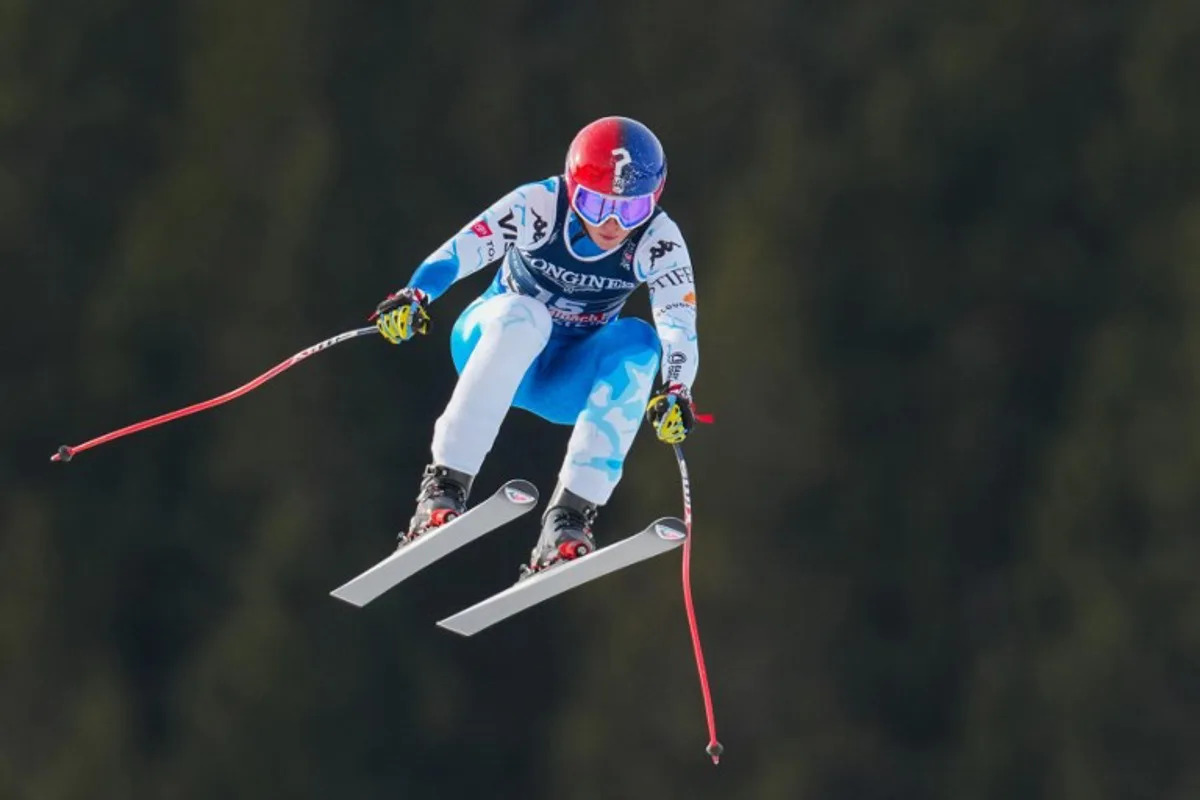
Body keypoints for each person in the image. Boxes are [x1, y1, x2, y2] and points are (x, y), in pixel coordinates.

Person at [372, 116, 700, 575]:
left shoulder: (659, 240)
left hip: (566, 380)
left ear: (653, 201)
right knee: (526, 316)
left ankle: (568, 520)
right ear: (572, 187)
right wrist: (415, 294)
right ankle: (444, 489)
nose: (610, 224)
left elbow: (678, 324)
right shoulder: (540, 205)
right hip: (493, 347)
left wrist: (677, 391)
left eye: (629, 211)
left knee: (641, 342)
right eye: (594, 203)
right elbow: (461, 250)